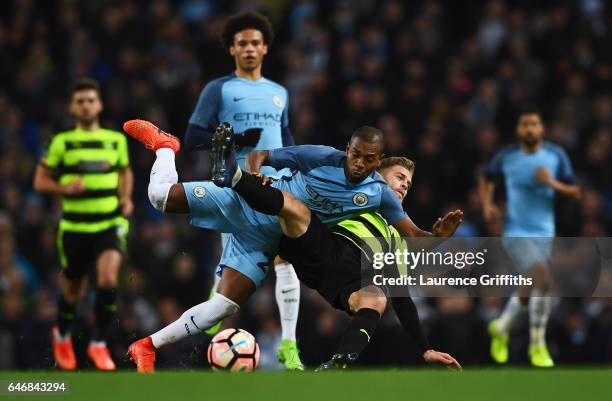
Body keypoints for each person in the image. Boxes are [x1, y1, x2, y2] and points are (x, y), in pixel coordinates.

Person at [123, 120, 461, 372]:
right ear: (349, 150)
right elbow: (263, 155)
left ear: (377, 160)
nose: (358, 163)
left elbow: (412, 238)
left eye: (367, 159)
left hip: (266, 237)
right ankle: (167, 146)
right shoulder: (323, 158)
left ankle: (147, 345)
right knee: (159, 198)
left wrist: (439, 237)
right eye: (355, 155)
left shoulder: (378, 198)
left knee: (222, 307)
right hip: (250, 201)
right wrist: (254, 172)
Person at [183, 12, 301, 370]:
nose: (249, 48)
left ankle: (289, 346)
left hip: (275, 184)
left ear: (264, 48)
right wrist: (234, 139)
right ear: (232, 49)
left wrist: (296, 167)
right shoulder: (218, 89)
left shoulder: (279, 93)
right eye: (242, 44)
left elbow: (286, 138)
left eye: (255, 43)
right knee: (232, 273)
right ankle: (206, 321)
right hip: (233, 185)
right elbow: (192, 137)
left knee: (287, 260)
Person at [286, 156, 461, 370]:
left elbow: (402, 299)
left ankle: (339, 361)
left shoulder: (396, 240)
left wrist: (426, 349)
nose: (406, 184)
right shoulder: (355, 197)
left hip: (336, 281)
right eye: (400, 177)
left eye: (409, 183)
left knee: (377, 298)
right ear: (377, 176)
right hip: (312, 246)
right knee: (289, 206)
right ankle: (239, 177)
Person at [33, 78, 133, 371]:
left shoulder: (115, 140)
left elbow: (125, 172)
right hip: (75, 227)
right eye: (81, 101)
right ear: (72, 107)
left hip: (109, 223)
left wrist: (125, 198)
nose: (87, 105)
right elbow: (40, 181)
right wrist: (64, 189)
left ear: (100, 104)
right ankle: (62, 335)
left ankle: (98, 343)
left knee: (108, 280)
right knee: (73, 291)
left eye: (91, 100)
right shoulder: (60, 142)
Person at [479, 108, 581, 367]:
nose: (529, 129)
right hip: (515, 231)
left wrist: (552, 183)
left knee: (528, 290)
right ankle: (538, 343)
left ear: (541, 129)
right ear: (518, 130)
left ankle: (501, 328)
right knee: (544, 279)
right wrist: (487, 204)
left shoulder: (556, 155)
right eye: (525, 124)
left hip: (544, 231)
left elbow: (575, 192)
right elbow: (487, 178)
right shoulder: (507, 156)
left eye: (534, 124)